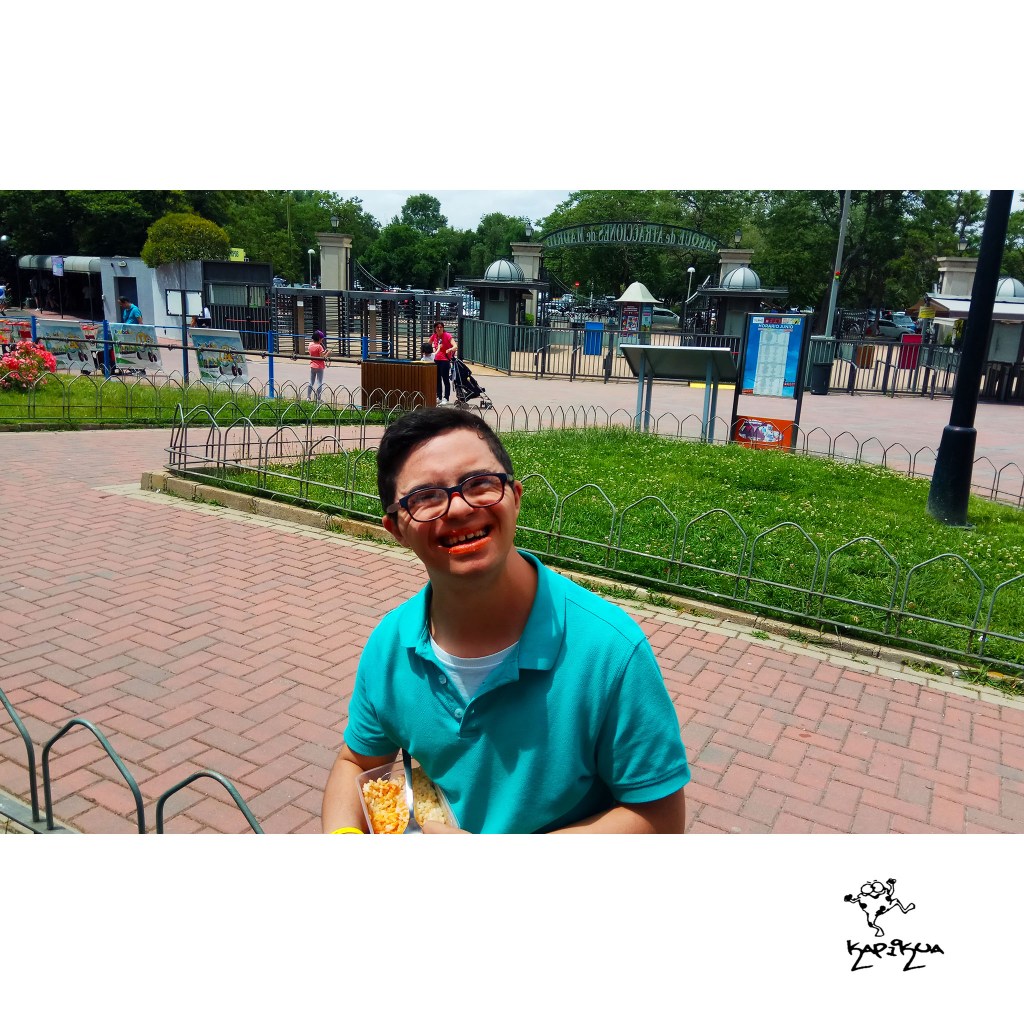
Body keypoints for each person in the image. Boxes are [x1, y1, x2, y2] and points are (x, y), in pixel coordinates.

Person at [321, 406, 690, 834]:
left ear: (515, 496)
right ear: (396, 529)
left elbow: (660, 818)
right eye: (425, 497)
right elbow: (356, 762)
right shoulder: (391, 646)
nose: (458, 508)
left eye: (480, 484)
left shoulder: (610, 651)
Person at [428, 320, 456, 404]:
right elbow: (428, 344)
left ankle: (446, 398)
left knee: (445, 379)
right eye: (437, 327)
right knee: (437, 379)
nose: (439, 329)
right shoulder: (434, 336)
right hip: (436, 360)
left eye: (441, 327)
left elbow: (455, 346)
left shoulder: (447, 335)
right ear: (435, 329)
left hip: (445, 360)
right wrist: (430, 351)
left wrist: (450, 349)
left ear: (443, 328)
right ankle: (439, 397)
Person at [308, 329, 328, 400]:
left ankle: (308, 397)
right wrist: (327, 353)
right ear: (319, 339)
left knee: (311, 382)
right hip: (319, 367)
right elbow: (322, 357)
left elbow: (315, 354)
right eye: (321, 339)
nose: (322, 341)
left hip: (312, 365)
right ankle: (318, 399)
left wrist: (324, 352)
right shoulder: (319, 346)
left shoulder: (310, 345)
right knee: (319, 382)